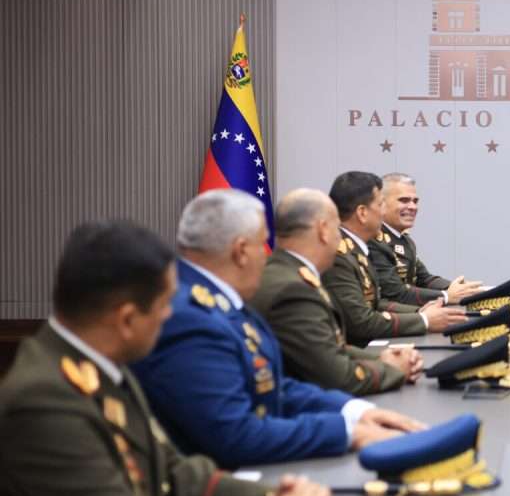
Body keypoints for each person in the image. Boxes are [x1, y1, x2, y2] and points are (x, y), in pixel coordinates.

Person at [0, 220, 335, 496]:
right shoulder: (42, 401)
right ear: (126, 320)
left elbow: (173, 474)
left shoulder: (99, 367)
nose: (169, 316)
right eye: (164, 306)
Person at [133, 189, 425, 468]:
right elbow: (235, 435)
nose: (268, 255)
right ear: (241, 251)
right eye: (263, 243)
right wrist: (346, 432)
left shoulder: (222, 298)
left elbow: (271, 385)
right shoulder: (190, 319)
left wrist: (355, 412)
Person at [250, 189, 423, 395]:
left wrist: (382, 357)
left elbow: (328, 347)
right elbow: (337, 377)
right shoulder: (293, 290)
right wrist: (392, 369)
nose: (340, 236)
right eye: (337, 228)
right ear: (323, 230)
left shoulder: (290, 273)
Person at [323, 172, 465, 347]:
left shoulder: (358, 248)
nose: (383, 213)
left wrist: (420, 313)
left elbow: (375, 304)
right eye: (380, 204)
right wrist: (423, 319)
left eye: (415, 201)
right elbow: (361, 321)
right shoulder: (339, 254)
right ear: (362, 213)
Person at [370, 172, 482, 306]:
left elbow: (424, 279)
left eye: (415, 201)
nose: (412, 207)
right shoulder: (374, 240)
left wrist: (459, 288)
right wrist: (446, 296)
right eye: (404, 200)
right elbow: (396, 292)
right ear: (382, 203)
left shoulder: (404, 240)